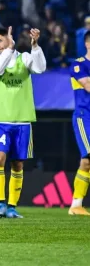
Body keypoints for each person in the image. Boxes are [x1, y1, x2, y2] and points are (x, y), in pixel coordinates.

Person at [0, 26, 46, 218]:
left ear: (8, 40)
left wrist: (35, 46)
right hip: (0, 120)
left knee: (18, 164)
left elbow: (40, 68)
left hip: (22, 120)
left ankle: (12, 206)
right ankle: (0, 203)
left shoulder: (25, 58)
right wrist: (9, 50)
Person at [68, 31, 90, 216]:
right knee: (88, 158)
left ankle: (76, 205)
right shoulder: (79, 64)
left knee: (86, 162)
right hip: (85, 117)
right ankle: (76, 205)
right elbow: (88, 85)